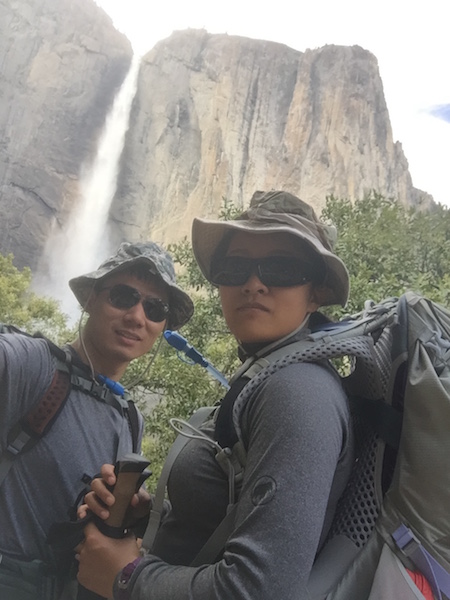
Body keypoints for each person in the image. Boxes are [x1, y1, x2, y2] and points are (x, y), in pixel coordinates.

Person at [76, 191, 355, 600]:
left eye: (281, 267)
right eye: (235, 266)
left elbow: (260, 590)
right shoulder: (266, 373)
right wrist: (150, 518)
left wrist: (127, 577)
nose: (254, 284)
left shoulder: (299, 390)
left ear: (315, 292)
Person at [0, 241, 194, 599]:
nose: (137, 317)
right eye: (123, 296)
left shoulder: (130, 418)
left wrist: (129, 511)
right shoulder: (33, 366)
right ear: (90, 298)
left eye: (154, 308)